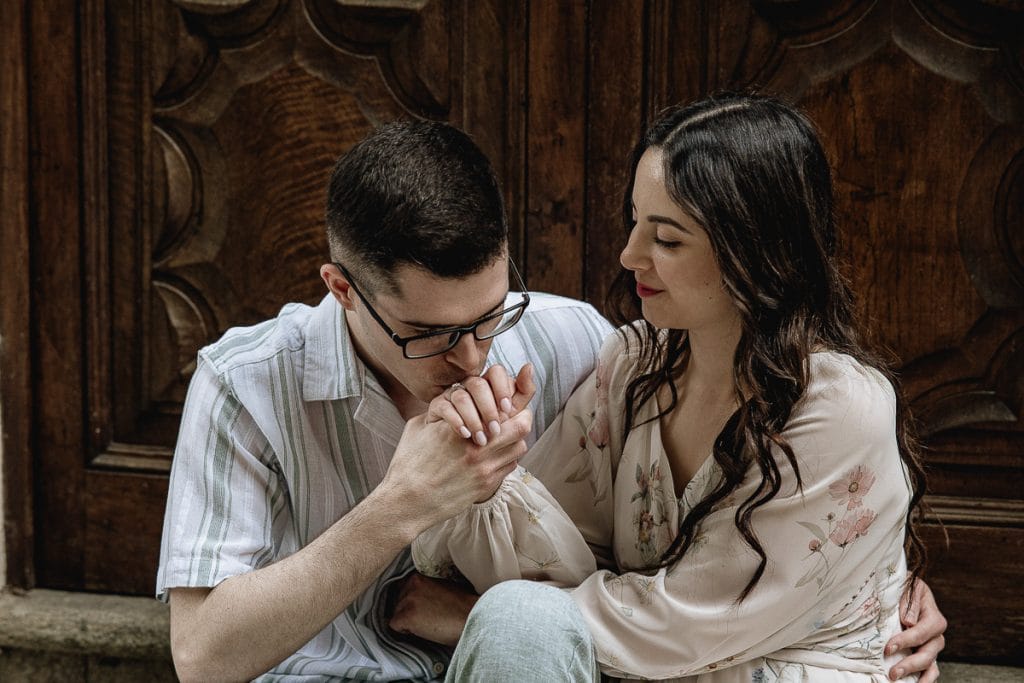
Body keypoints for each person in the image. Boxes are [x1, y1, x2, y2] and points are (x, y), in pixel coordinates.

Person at [156, 118, 946, 682]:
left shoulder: (571, 339)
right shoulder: (245, 382)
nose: (473, 356)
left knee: (520, 626)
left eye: (491, 315)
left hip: (538, 663)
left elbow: (724, 595)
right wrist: (402, 505)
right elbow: (201, 657)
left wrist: (866, 575)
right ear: (341, 289)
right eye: (428, 333)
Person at [413, 93, 945, 682]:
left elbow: (693, 624)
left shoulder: (840, 407)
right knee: (519, 619)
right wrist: (483, 463)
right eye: (635, 223)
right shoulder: (636, 364)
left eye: (667, 239)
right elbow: (556, 559)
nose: (629, 255)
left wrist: (465, 617)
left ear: (755, 251)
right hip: (640, 668)